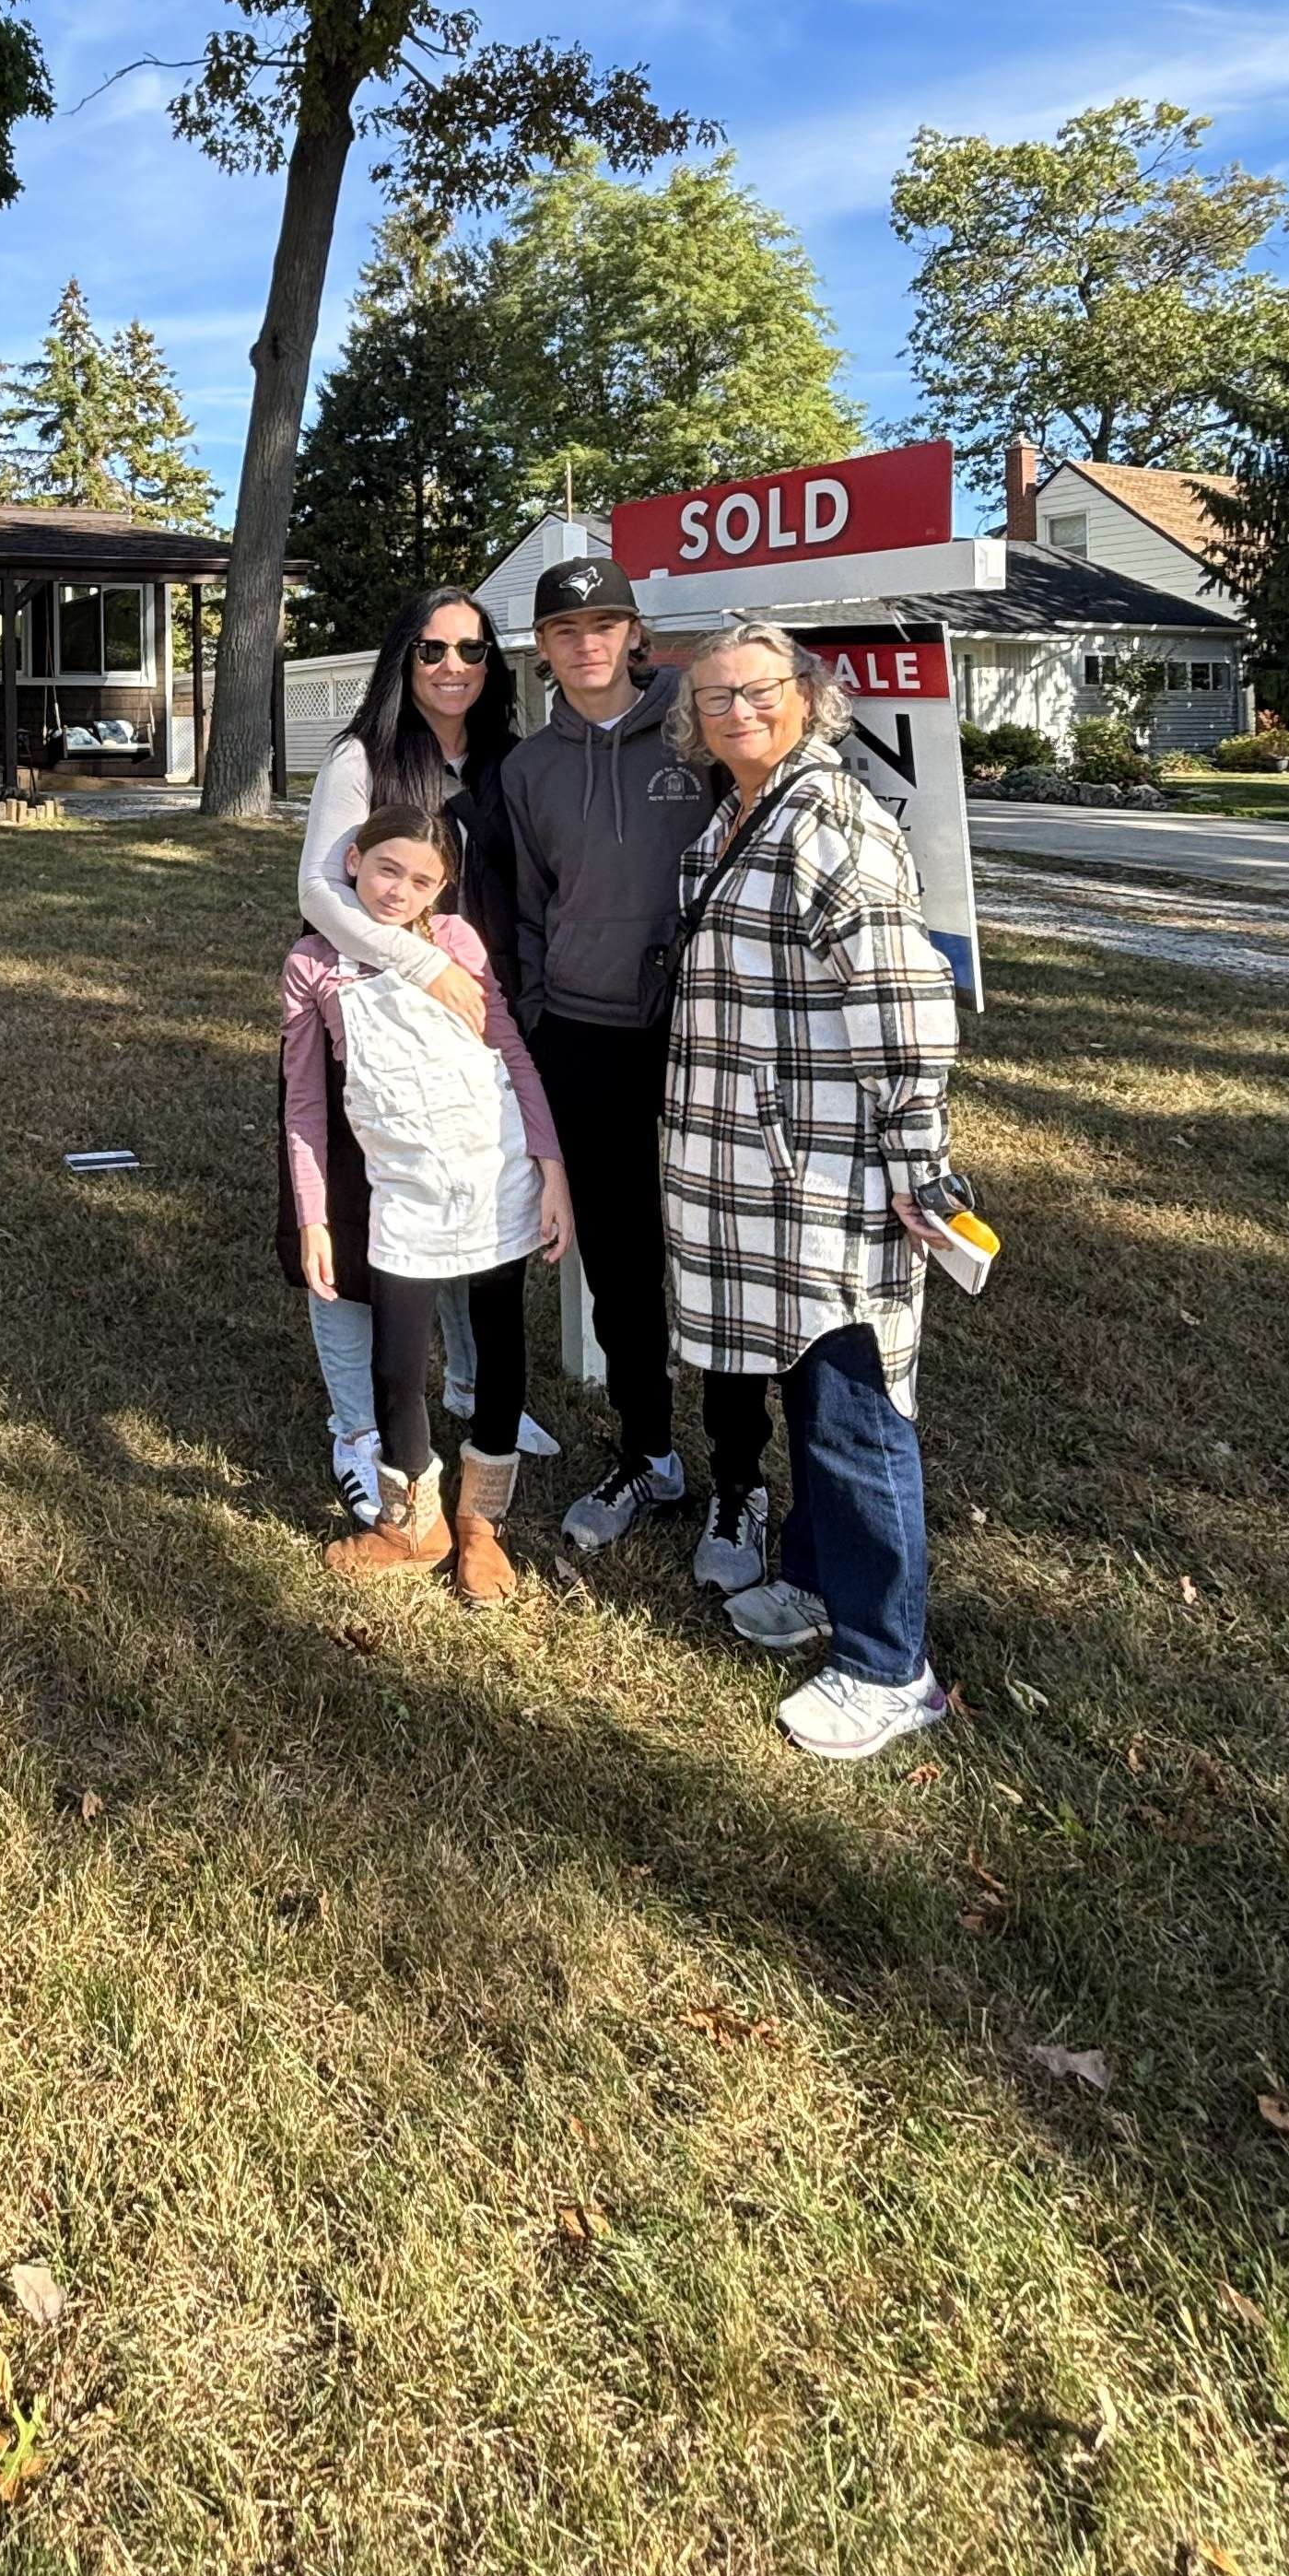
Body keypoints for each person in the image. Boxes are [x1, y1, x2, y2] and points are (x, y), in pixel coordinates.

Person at [659, 622, 965, 1760]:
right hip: (758, 1173)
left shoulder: (831, 817)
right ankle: (814, 1581)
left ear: (808, 697)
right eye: (715, 698)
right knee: (806, 1391)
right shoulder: (741, 814)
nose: (736, 710)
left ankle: (893, 1665)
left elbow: (901, 997)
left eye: (758, 690)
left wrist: (916, 1155)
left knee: (854, 1408)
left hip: (834, 1171)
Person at [500, 556, 765, 1586]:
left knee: (719, 1256)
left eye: (603, 624)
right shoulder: (528, 771)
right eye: (566, 630)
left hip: (696, 1032)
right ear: (545, 650)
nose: (586, 644)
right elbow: (524, 911)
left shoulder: (694, 731)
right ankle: (649, 1454)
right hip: (580, 1032)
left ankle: (741, 1477)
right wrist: (534, 1017)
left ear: (634, 632)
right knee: (617, 1261)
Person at [279, 585, 552, 1519]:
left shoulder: (507, 764)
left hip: (472, 1037)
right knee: (356, 1229)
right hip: (366, 1026)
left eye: (472, 652)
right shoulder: (362, 759)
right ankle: (356, 1430)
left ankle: (477, 1397)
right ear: (405, 658)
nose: (452, 668)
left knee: (470, 1209)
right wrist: (415, 961)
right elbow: (320, 890)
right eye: (433, 649)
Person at [283, 803, 571, 1604]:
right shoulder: (314, 965)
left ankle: (481, 1527)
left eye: (421, 880)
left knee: (499, 1349)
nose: (398, 891)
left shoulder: (457, 946)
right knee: (395, 1367)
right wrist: (313, 1214)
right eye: (386, 870)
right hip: (400, 1193)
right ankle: (413, 1524)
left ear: (441, 890)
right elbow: (304, 1105)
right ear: (352, 864)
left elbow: (508, 1051)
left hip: (495, 1178)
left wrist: (551, 1169)